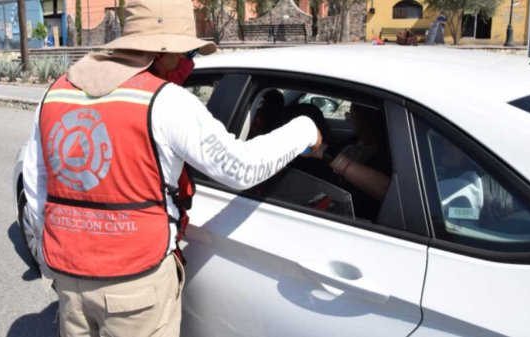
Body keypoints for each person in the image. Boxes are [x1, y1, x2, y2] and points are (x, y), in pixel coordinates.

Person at [21, 1, 322, 336]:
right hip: (135, 283)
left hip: (68, 276)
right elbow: (240, 168)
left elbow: (36, 187)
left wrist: (50, 258)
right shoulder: (166, 102)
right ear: (161, 52)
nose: (189, 63)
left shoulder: (56, 93)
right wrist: (305, 130)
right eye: (187, 52)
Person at [311, 103, 391, 220]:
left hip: (354, 215)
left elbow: (388, 192)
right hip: (329, 198)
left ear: (366, 120)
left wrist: (326, 153)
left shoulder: (385, 156)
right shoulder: (353, 141)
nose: (348, 119)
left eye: (350, 115)